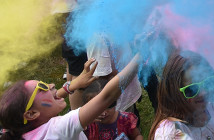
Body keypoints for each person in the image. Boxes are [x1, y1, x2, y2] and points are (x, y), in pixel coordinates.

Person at [0, 56, 139, 140]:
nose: (51, 85)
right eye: (42, 87)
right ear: (31, 114)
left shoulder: (21, 132)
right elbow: (106, 97)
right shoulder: (58, 130)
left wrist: (72, 85)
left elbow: (49, 100)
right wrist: (141, 55)